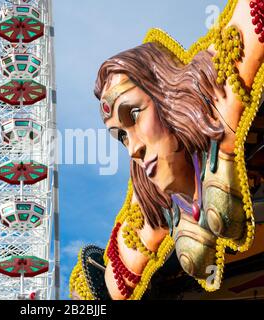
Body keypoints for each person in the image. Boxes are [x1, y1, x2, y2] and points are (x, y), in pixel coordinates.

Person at [70, 0, 264, 300]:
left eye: (133, 115)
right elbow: (108, 289)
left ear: (167, 95)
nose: (133, 147)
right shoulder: (150, 200)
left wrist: (225, 136)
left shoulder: (217, 84)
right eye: (121, 137)